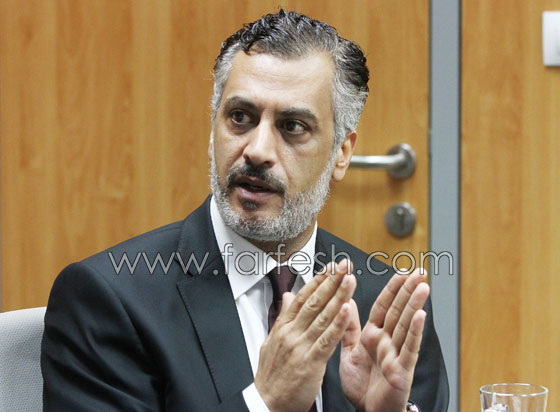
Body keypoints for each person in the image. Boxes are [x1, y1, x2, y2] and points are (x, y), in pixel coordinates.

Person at [41, 10, 449, 412]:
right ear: (213, 129)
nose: (257, 150)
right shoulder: (110, 300)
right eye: (240, 118)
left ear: (341, 154)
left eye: (292, 126)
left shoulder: (386, 307)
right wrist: (264, 403)